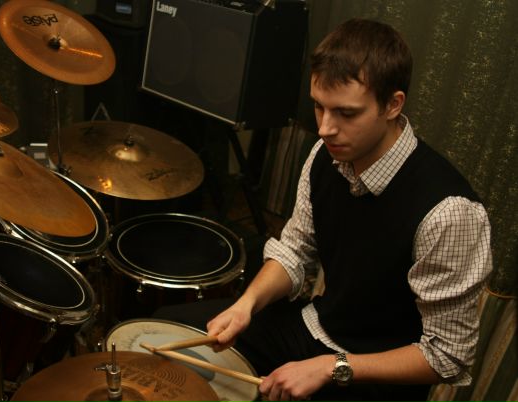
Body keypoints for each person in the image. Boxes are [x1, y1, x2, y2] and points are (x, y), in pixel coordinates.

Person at [154, 18, 492, 402]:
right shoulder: (325, 156)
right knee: (167, 337)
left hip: (376, 377)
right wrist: (246, 304)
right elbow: (294, 252)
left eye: (346, 113)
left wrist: (332, 366)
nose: (325, 128)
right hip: (315, 327)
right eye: (319, 107)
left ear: (393, 105)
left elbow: (447, 357)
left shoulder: (450, 213)